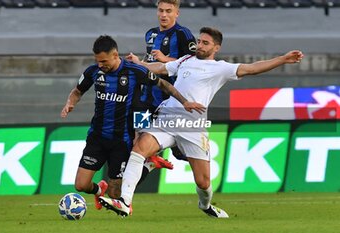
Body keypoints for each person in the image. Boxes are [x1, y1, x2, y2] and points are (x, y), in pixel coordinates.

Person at [99, 27, 304, 218]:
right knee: (139, 148)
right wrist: (138, 64)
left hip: (193, 126)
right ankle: (125, 202)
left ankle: (205, 205)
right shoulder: (186, 59)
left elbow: (252, 68)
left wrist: (283, 59)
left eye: (205, 43)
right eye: (199, 41)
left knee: (203, 182)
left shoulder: (220, 68)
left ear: (216, 47)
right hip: (167, 117)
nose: (200, 45)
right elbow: (161, 68)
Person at [60, 35, 204, 211]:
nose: (100, 65)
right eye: (97, 61)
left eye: (104, 61)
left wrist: (184, 102)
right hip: (97, 137)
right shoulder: (93, 72)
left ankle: (149, 165)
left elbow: (163, 84)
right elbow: (77, 91)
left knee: (115, 194)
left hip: (122, 140)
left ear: (115, 55)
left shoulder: (135, 71)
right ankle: (99, 189)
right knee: (81, 185)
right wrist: (70, 103)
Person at [136, 0, 197, 163]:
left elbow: (194, 63)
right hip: (146, 98)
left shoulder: (183, 34)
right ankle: (149, 163)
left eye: (168, 11)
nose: (164, 15)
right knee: (137, 141)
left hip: (170, 99)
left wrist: (166, 60)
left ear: (177, 13)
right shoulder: (150, 34)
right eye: (161, 10)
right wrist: (139, 63)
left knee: (179, 151)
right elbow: (149, 60)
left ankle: (201, 163)